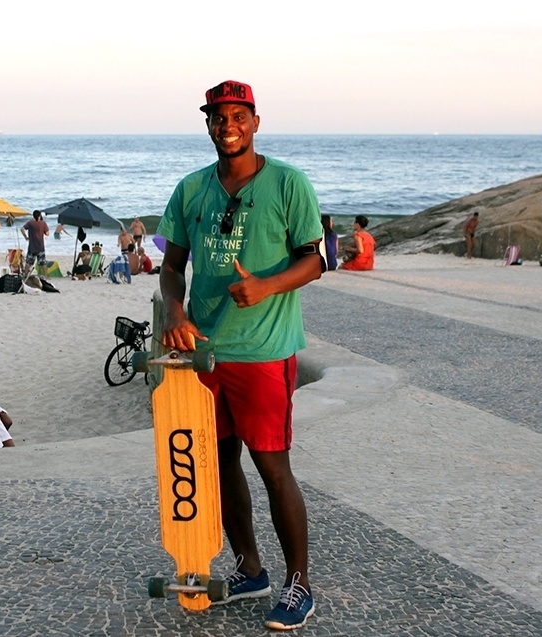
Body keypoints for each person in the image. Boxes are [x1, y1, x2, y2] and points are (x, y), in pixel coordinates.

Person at [157, 80, 323, 631]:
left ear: (255, 122)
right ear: (208, 125)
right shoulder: (191, 189)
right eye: (218, 116)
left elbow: (314, 260)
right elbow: (172, 266)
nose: (227, 125)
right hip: (205, 353)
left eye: (238, 115)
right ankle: (250, 568)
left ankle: (299, 584)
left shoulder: (288, 183)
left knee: (273, 466)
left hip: (263, 350)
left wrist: (267, 286)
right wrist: (173, 311)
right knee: (220, 462)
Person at [21, 210, 50, 278]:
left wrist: (25, 237)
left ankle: (25, 275)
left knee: (28, 263)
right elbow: (47, 234)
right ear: (40, 216)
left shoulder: (30, 223)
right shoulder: (43, 223)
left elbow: (22, 229)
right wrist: (43, 231)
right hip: (40, 247)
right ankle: (46, 276)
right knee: (43, 263)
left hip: (32, 247)